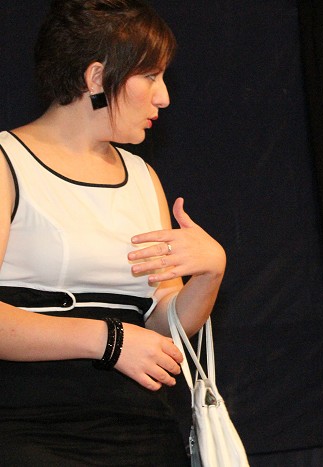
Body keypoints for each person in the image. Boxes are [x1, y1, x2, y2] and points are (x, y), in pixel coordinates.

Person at [0, 0, 226, 464]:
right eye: (151, 77)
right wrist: (110, 340)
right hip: (29, 425)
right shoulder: (8, 163)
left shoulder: (142, 177)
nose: (163, 97)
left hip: (140, 428)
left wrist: (211, 273)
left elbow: (164, 325)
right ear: (97, 78)